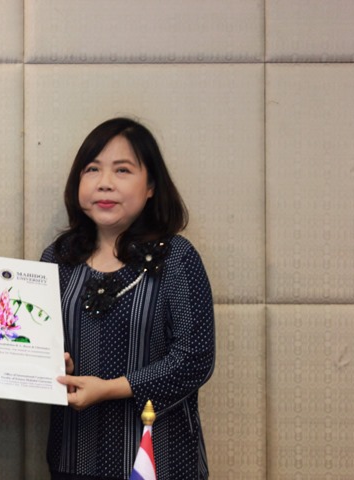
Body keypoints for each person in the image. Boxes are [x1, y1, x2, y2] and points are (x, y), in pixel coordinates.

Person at [41, 117, 215, 479]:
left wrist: (111, 389)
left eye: (122, 170)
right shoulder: (58, 258)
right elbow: (39, 345)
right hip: (74, 455)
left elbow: (194, 358)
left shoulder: (176, 258)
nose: (104, 183)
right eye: (92, 169)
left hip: (159, 457)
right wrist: (53, 364)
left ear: (151, 186)